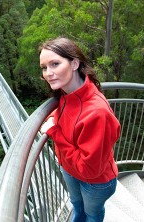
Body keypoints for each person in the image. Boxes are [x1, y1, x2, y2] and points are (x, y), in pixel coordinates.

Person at [39, 37, 120, 222]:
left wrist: (55, 133)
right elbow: (66, 116)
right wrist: (53, 118)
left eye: (55, 64)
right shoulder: (67, 93)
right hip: (70, 169)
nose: (48, 73)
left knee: (92, 214)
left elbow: (89, 170)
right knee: (77, 205)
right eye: (44, 67)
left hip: (95, 182)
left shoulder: (97, 113)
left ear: (74, 63)